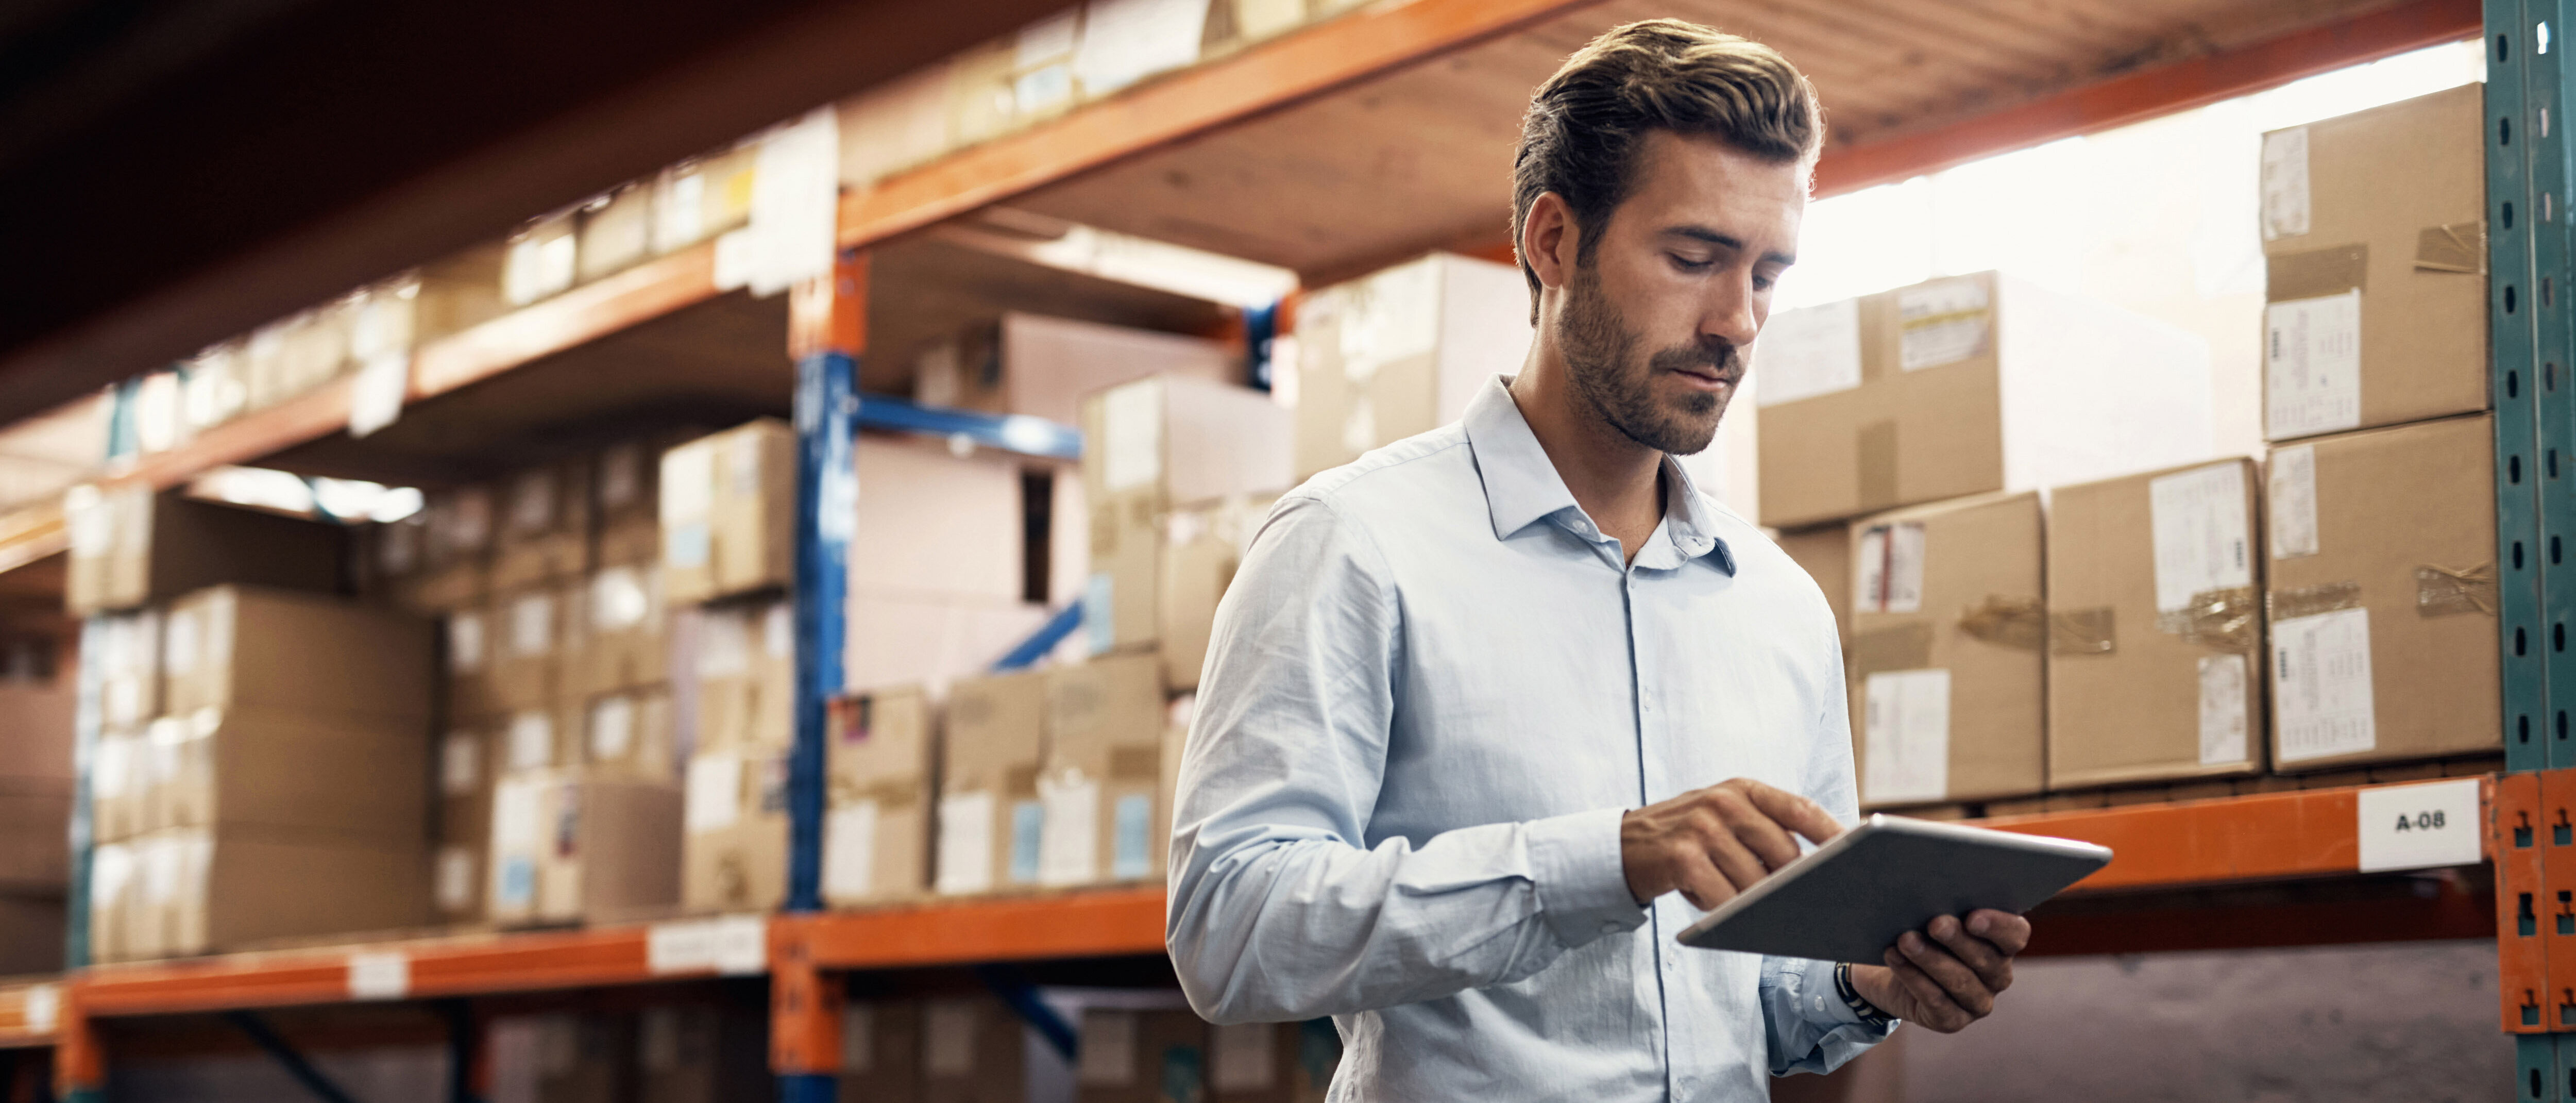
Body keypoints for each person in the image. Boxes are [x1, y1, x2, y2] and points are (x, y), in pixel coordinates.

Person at [1164, 18, 2031, 1100]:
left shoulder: (1779, 607)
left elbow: (1754, 1001)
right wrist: (1607, 858)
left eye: (1768, 271)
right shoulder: (1354, 543)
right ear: (1553, 243)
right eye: (1693, 257)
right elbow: (1228, 927)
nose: (1736, 321)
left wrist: (1867, 983)